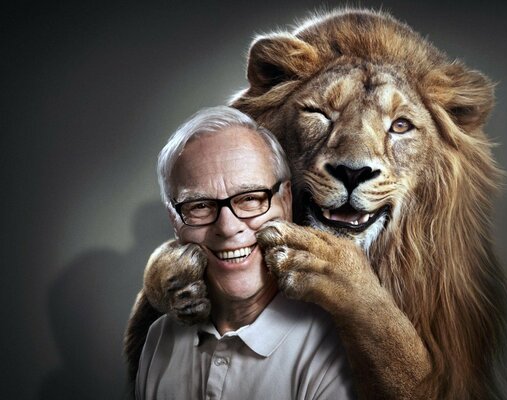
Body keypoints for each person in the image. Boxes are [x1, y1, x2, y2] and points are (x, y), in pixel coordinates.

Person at [135, 106, 356, 400]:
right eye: (200, 205)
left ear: (286, 200)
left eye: (251, 199)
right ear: (175, 221)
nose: (228, 228)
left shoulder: (338, 347)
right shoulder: (160, 338)